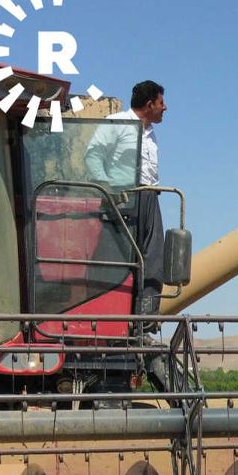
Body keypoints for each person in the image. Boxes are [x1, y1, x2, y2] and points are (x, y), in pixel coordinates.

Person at [82, 80, 167, 312]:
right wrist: (106, 188)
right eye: (161, 102)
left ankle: (146, 316)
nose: (165, 107)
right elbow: (93, 156)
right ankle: (108, 312)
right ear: (150, 104)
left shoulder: (150, 133)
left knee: (153, 257)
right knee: (116, 256)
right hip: (123, 197)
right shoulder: (117, 123)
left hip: (150, 197)